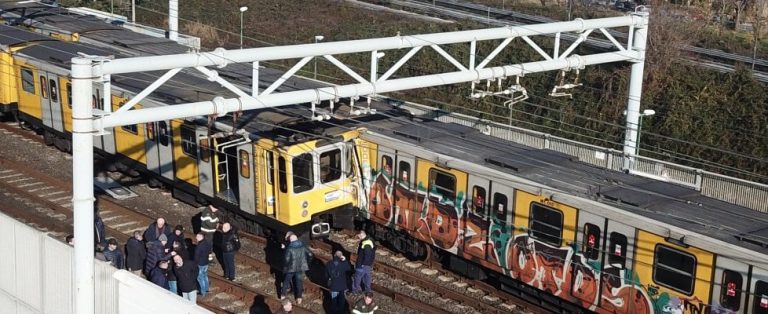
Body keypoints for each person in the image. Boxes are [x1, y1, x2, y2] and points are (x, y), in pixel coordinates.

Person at [281, 234, 312, 304]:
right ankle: (299, 298)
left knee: (286, 281)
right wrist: (307, 262)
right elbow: (310, 254)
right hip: (300, 267)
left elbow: (286, 259)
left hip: (291, 268)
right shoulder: (303, 246)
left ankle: (283, 295)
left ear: (291, 240)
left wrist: (284, 249)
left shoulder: (289, 248)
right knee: (299, 282)